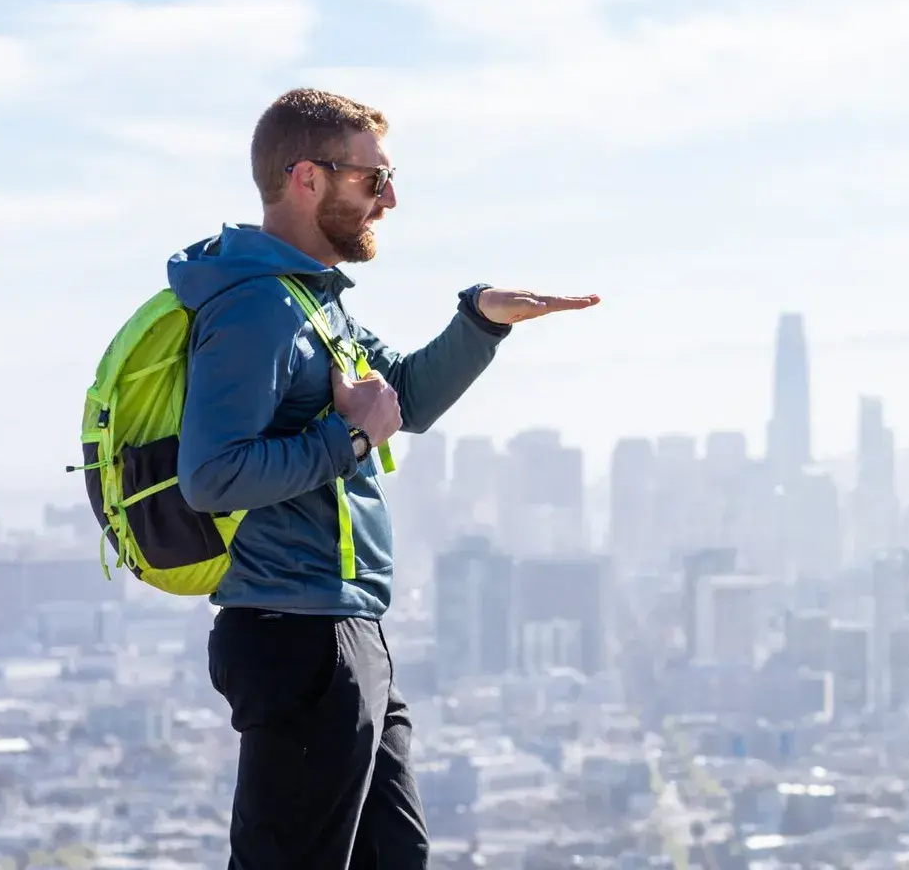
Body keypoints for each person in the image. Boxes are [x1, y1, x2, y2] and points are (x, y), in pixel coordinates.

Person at [172, 88, 599, 868]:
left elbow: (402, 397)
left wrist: (480, 323)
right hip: (295, 630)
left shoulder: (310, 302)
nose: (390, 198)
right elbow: (210, 474)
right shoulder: (258, 309)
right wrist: (350, 439)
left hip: (342, 625)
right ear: (307, 178)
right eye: (373, 179)